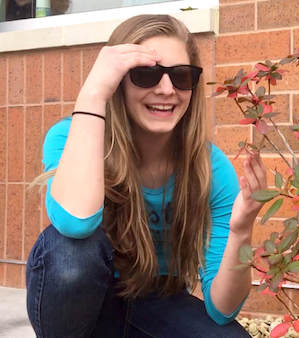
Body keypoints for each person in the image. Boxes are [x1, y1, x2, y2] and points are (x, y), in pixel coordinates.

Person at [26, 14, 266, 337]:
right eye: (146, 74)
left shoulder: (210, 167)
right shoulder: (70, 138)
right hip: (84, 306)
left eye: (181, 76)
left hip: (155, 304)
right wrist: (94, 94)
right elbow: (74, 223)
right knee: (71, 254)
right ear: (117, 81)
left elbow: (222, 310)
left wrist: (241, 231)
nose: (166, 89)